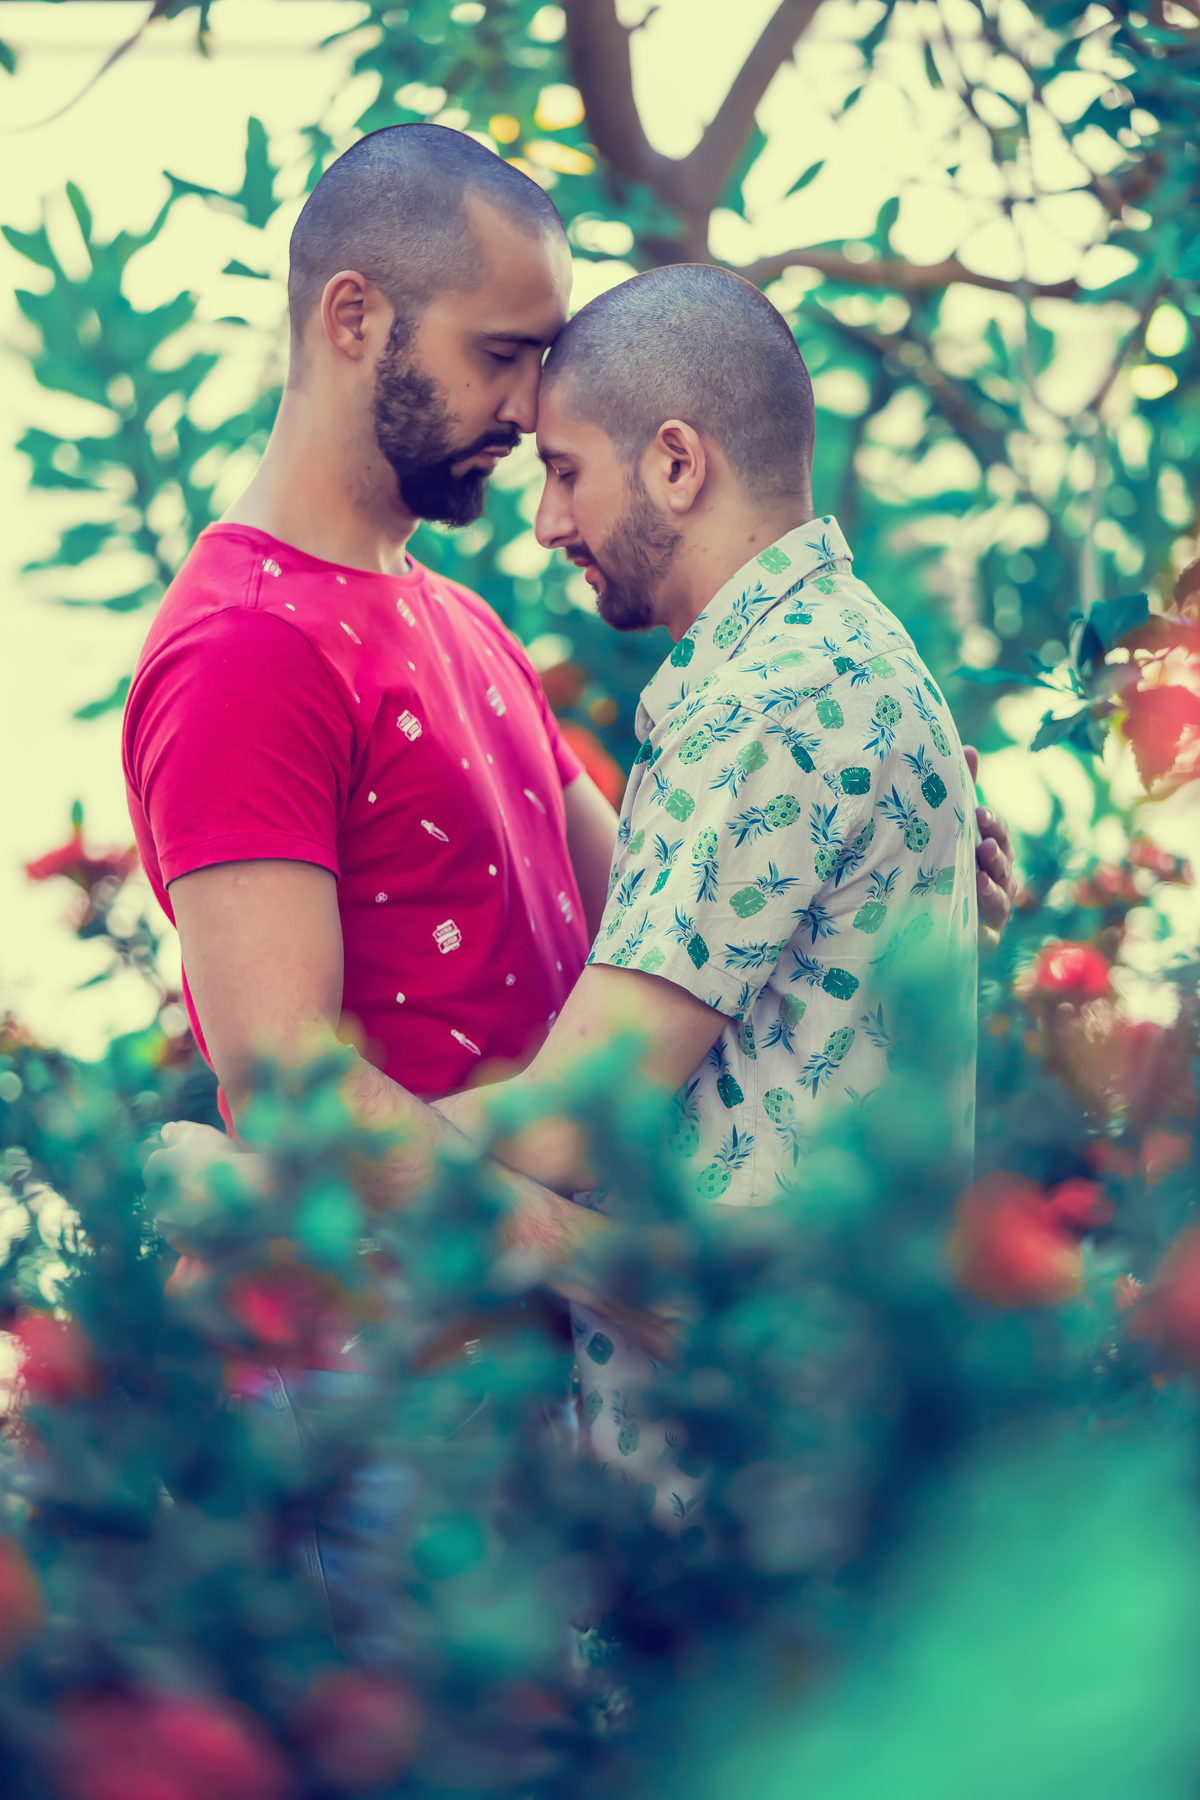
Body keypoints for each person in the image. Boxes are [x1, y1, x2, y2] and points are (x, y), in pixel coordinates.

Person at [427, 265, 988, 1521]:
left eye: (565, 471)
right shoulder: (851, 655)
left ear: (676, 463)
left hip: (743, 1484)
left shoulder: (769, 706)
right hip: (823, 1445)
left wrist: (275, 1177)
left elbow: (569, 1123)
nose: (546, 523)